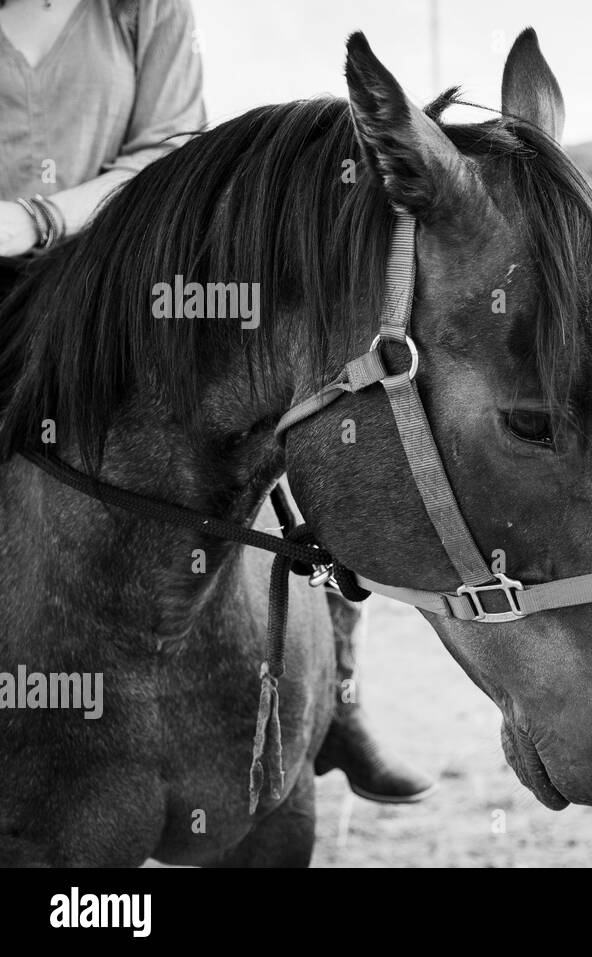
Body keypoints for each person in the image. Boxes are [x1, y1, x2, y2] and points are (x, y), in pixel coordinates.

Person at [0, 0, 432, 802]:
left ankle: (336, 696)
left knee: (291, 379)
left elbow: (169, 144)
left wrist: (34, 219)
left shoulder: (143, 8)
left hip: (114, 266)